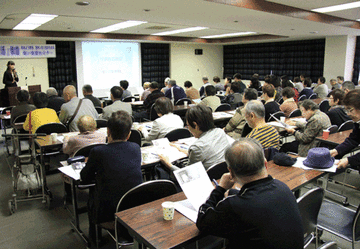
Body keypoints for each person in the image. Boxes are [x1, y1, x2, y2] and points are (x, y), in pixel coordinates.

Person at [196, 138, 304, 249]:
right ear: (265, 164)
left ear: (231, 172)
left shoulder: (235, 206)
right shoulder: (282, 187)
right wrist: (233, 193)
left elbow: (202, 221)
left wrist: (220, 189)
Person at [80, 111, 142, 242]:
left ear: (107, 131)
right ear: (129, 134)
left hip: (108, 213)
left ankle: (94, 240)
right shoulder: (136, 148)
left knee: (92, 193)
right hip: (134, 208)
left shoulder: (98, 152)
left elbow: (84, 177)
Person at [159, 105, 231, 170]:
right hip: (223, 172)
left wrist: (167, 163)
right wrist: (180, 149)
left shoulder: (197, 147)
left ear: (195, 125)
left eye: (188, 126)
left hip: (206, 179)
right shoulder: (220, 132)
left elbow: (188, 174)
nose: (188, 129)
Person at [330, 90, 360, 169]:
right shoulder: (358, 122)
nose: (348, 114)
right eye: (346, 110)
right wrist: (336, 150)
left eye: (350, 110)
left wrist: (349, 160)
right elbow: (353, 140)